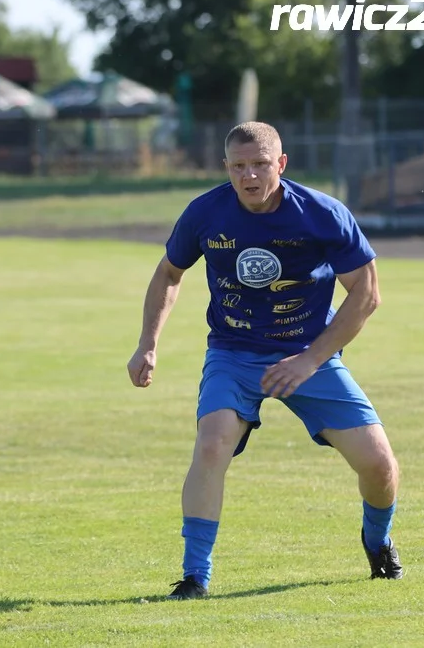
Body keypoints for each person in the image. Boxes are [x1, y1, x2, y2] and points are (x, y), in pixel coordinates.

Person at [126, 120, 403, 600]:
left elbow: (366, 294)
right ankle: (195, 577)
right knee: (211, 445)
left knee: (378, 465)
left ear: (281, 163)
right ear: (226, 168)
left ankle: (377, 541)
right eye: (238, 166)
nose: (249, 176)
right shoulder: (205, 213)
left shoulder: (320, 213)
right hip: (233, 353)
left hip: (307, 353)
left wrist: (311, 360)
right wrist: (147, 342)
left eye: (259, 164)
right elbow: (169, 273)